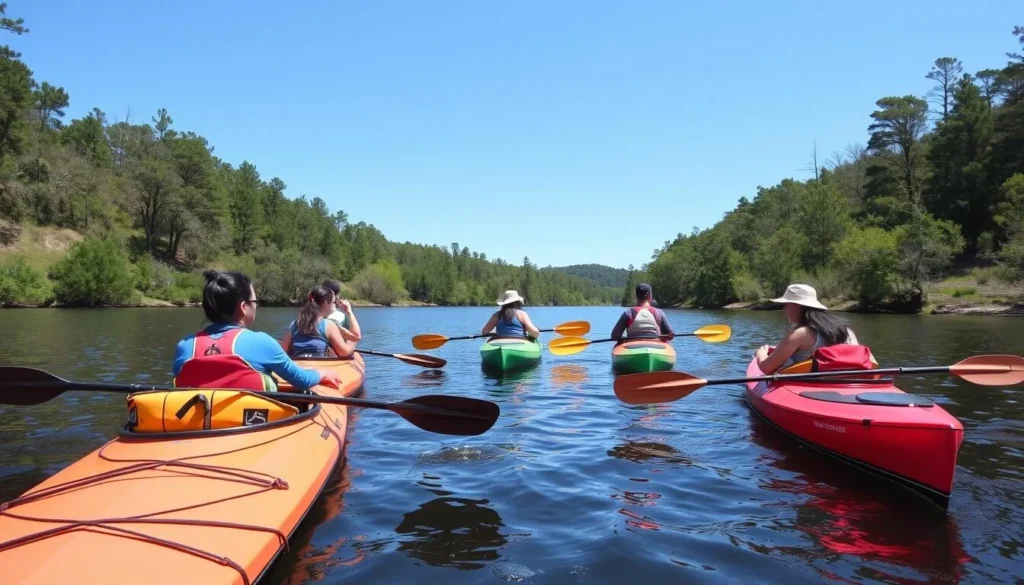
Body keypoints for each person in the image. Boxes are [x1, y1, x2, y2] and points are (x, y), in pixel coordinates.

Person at [173, 271, 342, 392]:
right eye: (255, 301)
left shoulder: (185, 346)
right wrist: (322, 373)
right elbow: (302, 380)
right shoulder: (261, 342)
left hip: (197, 429)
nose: (256, 306)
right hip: (252, 427)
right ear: (243, 307)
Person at [754, 283, 872, 374]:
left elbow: (766, 368)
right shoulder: (847, 331)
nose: (784, 309)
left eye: (785, 305)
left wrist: (761, 353)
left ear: (797, 306)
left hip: (813, 387)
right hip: (849, 385)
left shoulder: (800, 334)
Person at [280, 285, 358, 358]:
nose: (336, 305)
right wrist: (351, 344)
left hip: (298, 368)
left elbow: (282, 352)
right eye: (334, 302)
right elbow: (344, 352)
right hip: (319, 369)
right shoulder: (329, 325)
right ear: (326, 303)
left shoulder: (294, 324)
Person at [610, 283, 675, 341]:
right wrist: (662, 336)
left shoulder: (628, 314)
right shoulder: (659, 313)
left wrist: (625, 337)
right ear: (650, 296)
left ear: (637, 296)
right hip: (655, 345)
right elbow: (670, 335)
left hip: (633, 346)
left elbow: (615, 336)